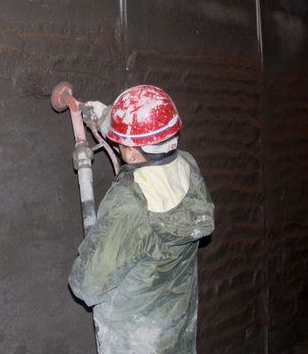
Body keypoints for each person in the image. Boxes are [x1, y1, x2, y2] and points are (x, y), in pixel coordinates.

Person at [68, 85, 215, 354]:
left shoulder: (130, 204)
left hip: (134, 341)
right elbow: (149, 135)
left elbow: (87, 286)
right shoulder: (188, 167)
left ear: (133, 153)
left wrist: (92, 253)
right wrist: (105, 116)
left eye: (123, 144)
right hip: (176, 332)